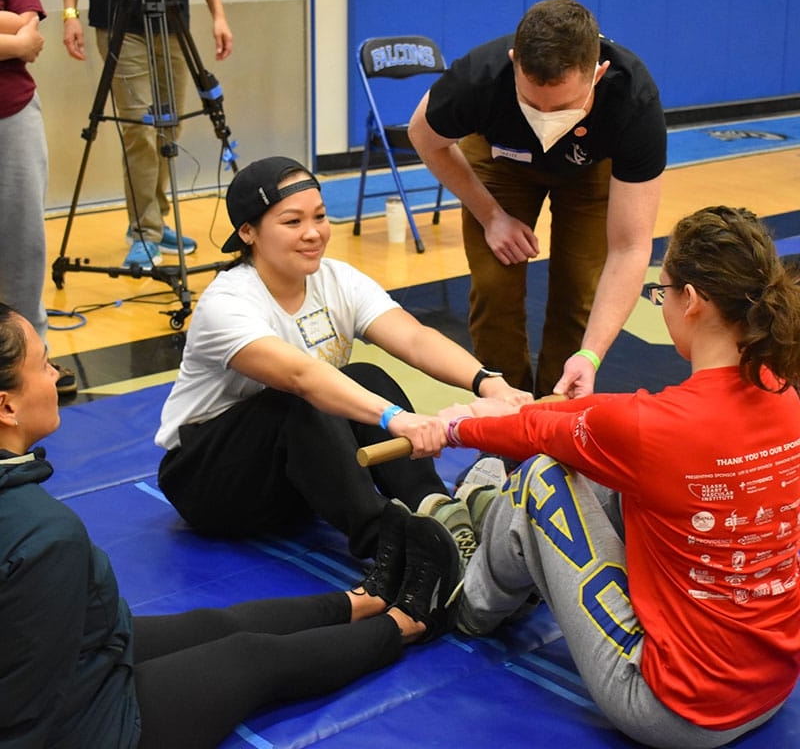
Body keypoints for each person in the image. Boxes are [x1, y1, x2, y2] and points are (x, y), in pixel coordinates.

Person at [0, 300, 463, 747]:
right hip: (86, 723)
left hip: (82, 648)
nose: (57, 374)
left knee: (217, 623)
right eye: (44, 365)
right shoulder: (44, 536)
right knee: (252, 657)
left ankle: (369, 600)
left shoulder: (33, 524)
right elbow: (32, 708)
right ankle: (409, 622)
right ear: (7, 407)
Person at [433, 206, 800, 748]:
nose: (664, 301)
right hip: (771, 691)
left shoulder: (651, 429)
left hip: (675, 711)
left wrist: (455, 427)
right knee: (599, 471)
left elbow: (546, 434)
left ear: (692, 300)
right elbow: (607, 418)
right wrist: (515, 413)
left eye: (663, 290)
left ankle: (467, 605)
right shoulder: (783, 394)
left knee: (541, 479)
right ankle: (499, 523)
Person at [155, 155, 532, 560]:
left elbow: (415, 339)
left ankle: (439, 511)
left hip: (293, 479)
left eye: (319, 217)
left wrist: (490, 382)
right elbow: (302, 376)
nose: (313, 233)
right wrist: (395, 418)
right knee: (303, 398)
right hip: (209, 482)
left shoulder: (336, 279)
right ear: (248, 232)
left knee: (365, 374)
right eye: (292, 222)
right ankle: (393, 545)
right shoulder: (226, 302)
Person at [408, 0, 667, 399]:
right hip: (501, 161)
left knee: (581, 288)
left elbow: (631, 247)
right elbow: (422, 136)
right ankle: (507, 410)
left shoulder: (633, 99)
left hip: (589, 168)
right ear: (514, 62)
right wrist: (490, 216)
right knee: (494, 288)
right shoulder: (479, 77)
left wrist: (592, 356)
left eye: (563, 106)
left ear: (598, 74)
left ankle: (557, 409)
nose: (545, 118)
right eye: (531, 103)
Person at [60, 0, 233, 269]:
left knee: (170, 127)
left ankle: (154, 218)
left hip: (172, 17)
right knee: (139, 127)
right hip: (118, 19)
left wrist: (218, 14)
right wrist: (69, 14)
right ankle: (144, 231)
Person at [0, 0, 77, 397]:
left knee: (23, 248)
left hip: (13, 111)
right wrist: (11, 38)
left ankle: (31, 363)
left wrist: (14, 32)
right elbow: (21, 35)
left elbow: (31, 24)